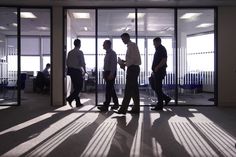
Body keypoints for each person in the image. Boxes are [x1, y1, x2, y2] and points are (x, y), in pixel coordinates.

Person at [117, 33, 141, 114]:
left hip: (133, 69)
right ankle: (136, 108)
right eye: (122, 39)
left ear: (128, 37)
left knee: (128, 89)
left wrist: (124, 64)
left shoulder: (132, 45)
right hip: (133, 68)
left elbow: (134, 60)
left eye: (123, 39)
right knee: (134, 90)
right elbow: (132, 59)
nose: (123, 41)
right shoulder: (130, 46)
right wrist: (124, 62)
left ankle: (123, 109)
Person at [97, 40, 119, 112]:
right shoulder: (107, 53)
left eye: (104, 44)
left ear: (108, 45)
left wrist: (111, 74)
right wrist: (104, 73)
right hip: (107, 72)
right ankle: (116, 104)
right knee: (111, 89)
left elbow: (113, 65)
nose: (102, 45)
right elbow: (106, 65)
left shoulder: (112, 53)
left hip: (110, 73)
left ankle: (106, 106)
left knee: (108, 90)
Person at [151, 37, 171, 111]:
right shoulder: (158, 49)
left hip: (159, 71)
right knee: (155, 87)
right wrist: (154, 70)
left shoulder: (162, 49)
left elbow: (164, 60)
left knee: (158, 88)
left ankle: (160, 105)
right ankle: (166, 98)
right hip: (156, 72)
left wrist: (157, 67)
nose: (154, 45)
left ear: (158, 42)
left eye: (154, 43)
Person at [66, 39, 86, 108]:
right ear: (79, 44)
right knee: (79, 87)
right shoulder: (80, 52)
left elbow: (67, 63)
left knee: (76, 87)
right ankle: (69, 98)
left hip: (71, 71)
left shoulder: (70, 52)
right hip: (77, 71)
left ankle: (78, 103)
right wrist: (85, 71)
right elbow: (82, 63)